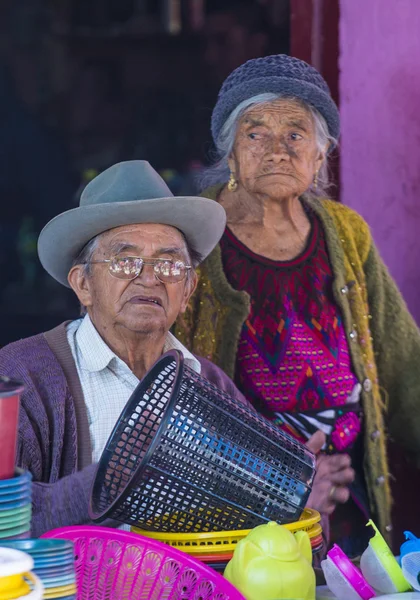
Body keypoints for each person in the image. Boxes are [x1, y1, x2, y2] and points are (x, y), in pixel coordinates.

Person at [174, 54, 420, 556]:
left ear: (321, 151)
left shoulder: (345, 232)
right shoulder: (194, 241)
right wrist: (283, 477)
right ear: (231, 151)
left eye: (295, 133)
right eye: (255, 132)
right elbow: (171, 402)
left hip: (349, 504)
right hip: (243, 515)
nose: (277, 150)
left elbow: (403, 365)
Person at [0, 160, 246, 537]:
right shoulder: (20, 376)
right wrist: (113, 476)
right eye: (125, 261)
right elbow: (6, 520)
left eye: (168, 264)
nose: (148, 278)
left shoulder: (211, 386)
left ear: (187, 292)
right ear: (83, 284)